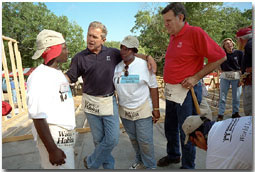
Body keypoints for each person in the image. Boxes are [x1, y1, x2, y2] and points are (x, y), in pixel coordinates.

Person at [65, 21, 157, 169]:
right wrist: (54, 79)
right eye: (89, 35)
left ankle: (91, 161)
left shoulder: (113, 53)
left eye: (95, 36)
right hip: (90, 103)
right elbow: (70, 76)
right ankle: (109, 168)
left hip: (108, 101)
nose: (90, 39)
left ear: (103, 39)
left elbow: (130, 54)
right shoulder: (79, 57)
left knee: (113, 138)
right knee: (98, 140)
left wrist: (148, 57)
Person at [158, 2, 226, 169]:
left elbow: (220, 56)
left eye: (168, 21)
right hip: (171, 92)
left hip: (188, 93)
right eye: (164, 21)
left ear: (180, 17)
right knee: (170, 128)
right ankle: (174, 155)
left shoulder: (194, 33)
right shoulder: (173, 36)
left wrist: (196, 77)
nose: (165, 25)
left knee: (187, 131)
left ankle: (188, 166)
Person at [27, 29, 76, 169]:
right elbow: (37, 116)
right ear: (53, 50)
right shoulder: (39, 77)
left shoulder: (57, 73)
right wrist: (52, 149)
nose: (67, 51)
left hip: (63, 138)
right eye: (64, 48)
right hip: (54, 138)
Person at [113, 35, 160, 169]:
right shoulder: (117, 68)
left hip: (142, 109)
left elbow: (153, 87)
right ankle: (140, 162)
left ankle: (150, 166)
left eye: (127, 49)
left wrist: (156, 109)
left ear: (134, 51)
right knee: (133, 139)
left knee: (145, 141)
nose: (123, 51)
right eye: (122, 48)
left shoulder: (145, 66)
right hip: (125, 110)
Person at [182, 115, 252, 169]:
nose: (198, 147)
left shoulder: (214, 159)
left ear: (199, 135)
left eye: (194, 143)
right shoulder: (228, 121)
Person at [217, 38, 243, 121]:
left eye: (230, 43)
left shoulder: (239, 53)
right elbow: (216, 62)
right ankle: (220, 114)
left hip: (236, 75)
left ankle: (235, 113)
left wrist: (242, 79)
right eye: (226, 44)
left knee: (236, 96)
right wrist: (219, 68)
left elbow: (243, 65)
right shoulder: (222, 54)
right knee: (222, 96)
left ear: (233, 44)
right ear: (224, 46)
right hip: (225, 76)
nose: (229, 44)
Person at [236, 27, 252, 116]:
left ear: (241, 39)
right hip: (249, 81)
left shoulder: (250, 45)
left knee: (250, 111)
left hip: (251, 83)